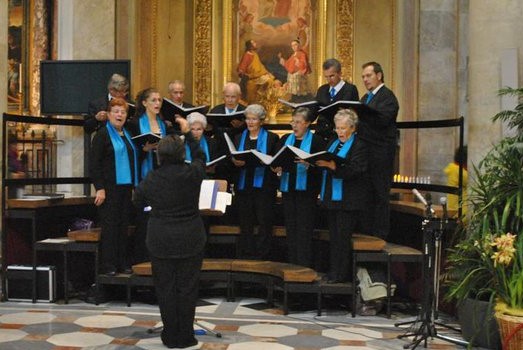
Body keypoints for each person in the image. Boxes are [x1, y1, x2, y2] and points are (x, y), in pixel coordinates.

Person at [132, 117, 206, 349]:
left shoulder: (153, 177)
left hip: (160, 238)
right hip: (190, 237)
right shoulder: (191, 173)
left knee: (165, 289)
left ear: (160, 155)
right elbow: (201, 157)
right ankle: (186, 336)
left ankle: (170, 336)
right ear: (181, 154)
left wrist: (155, 206)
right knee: (187, 288)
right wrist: (190, 135)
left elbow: (137, 200)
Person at [315, 109, 369, 283]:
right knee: (333, 238)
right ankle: (333, 272)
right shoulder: (332, 142)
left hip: (348, 201)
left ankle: (341, 275)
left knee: (342, 239)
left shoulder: (359, 145)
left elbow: (357, 170)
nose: (340, 132)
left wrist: (333, 167)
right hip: (332, 199)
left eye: (344, 128)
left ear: (353, 128)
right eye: (337, 128)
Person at [90, 98, 139, 276]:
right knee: (110, 228)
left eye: (123, 112)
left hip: (126, 187)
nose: (119, 115)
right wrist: (100, 188)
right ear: (109, 114)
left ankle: (122, 263)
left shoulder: (127, 134)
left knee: (123, 226)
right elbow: (94, 164)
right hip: (109, 189)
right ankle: (108, 265)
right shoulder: (102, 135)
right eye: (116, 111)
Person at [273, 107, 325, 267]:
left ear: (308, 123)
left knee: (304, 230)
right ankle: (292, 265)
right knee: (291, 229)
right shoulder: (285, 140)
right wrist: (276, 167)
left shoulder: (317, 142)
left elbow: (323, 167)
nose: (294, 126)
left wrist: (310, 164)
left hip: (307, 193)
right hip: (289, 191)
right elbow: (276, 160)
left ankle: (304, 266)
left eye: (298, 122)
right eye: (292, 122)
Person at [231, 104, 279, 259]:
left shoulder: (272, 138)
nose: (250, 122)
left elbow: (275, 160)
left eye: (254, 119)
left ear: (261, 121)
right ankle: (247, 256)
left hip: (264, 187)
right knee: (246, 224)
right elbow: (233, 157)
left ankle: (263, 257)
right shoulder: (239, 138)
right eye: (248, 119)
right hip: (244, 187)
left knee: (265, 223)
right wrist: (234, 161)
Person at [358, 61, 399, 239]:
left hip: (380, 156)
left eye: (368, 76)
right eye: (363, 77)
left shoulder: (387, 97)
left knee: (380, 197)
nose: (365, 80)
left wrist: (362, 116)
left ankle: (380, 238)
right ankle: (366, 236)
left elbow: (382, 121)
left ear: (379, 75)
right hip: (366, 156)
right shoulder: (365, 98)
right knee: (366, 197)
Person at [315, 58, 359, 141]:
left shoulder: (350, 89)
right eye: (326, 77)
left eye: (332, 76)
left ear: (340, 73)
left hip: (339, 136)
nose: (329, 80)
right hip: (320, 136)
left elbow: (354, 114)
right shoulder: (322, 90)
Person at [130, 87, 167, 180]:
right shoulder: (135, 123)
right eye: (153, 100)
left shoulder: (163, 123)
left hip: (161, 168)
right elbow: (131, 151)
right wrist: (144, 150)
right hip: (143, 168)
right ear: (144, 103)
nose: (157, 103)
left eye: (159, 100)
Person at [237, 40, 274, 104]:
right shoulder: (247, 55)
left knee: (270, 80)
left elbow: (260, 66)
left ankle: (261, 93)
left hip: (259, 75)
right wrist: (242, 72)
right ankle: (260, 94)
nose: (255, 44)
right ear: (250, 46)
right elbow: (242, 66)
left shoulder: (255, 54)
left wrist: (266, 72)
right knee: (268, 81)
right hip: (253, 76)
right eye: (253, 43)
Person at [186, 112, 220, 176]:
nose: (195, 133)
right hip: (185, 178)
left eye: (199, 129)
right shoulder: (182, 142)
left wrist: (212, 168)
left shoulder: (212, 142)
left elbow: (215, 162)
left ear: (204, 129)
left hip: (207, 176)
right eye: (192, 129)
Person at [444, 146, 468, 217]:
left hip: (453, 209)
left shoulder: (453, 169)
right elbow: (475, 182)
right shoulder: (460, 172)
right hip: (461, 212)